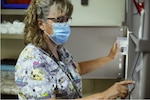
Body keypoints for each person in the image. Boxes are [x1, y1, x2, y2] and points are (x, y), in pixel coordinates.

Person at [15, 0, 134, 99]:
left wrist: (110, 57)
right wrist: (105, 95)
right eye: (60, 20)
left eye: (67, 19)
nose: (65, 25)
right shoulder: (31, 59)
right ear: (41, 24)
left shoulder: (59, 51)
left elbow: (77, 69)